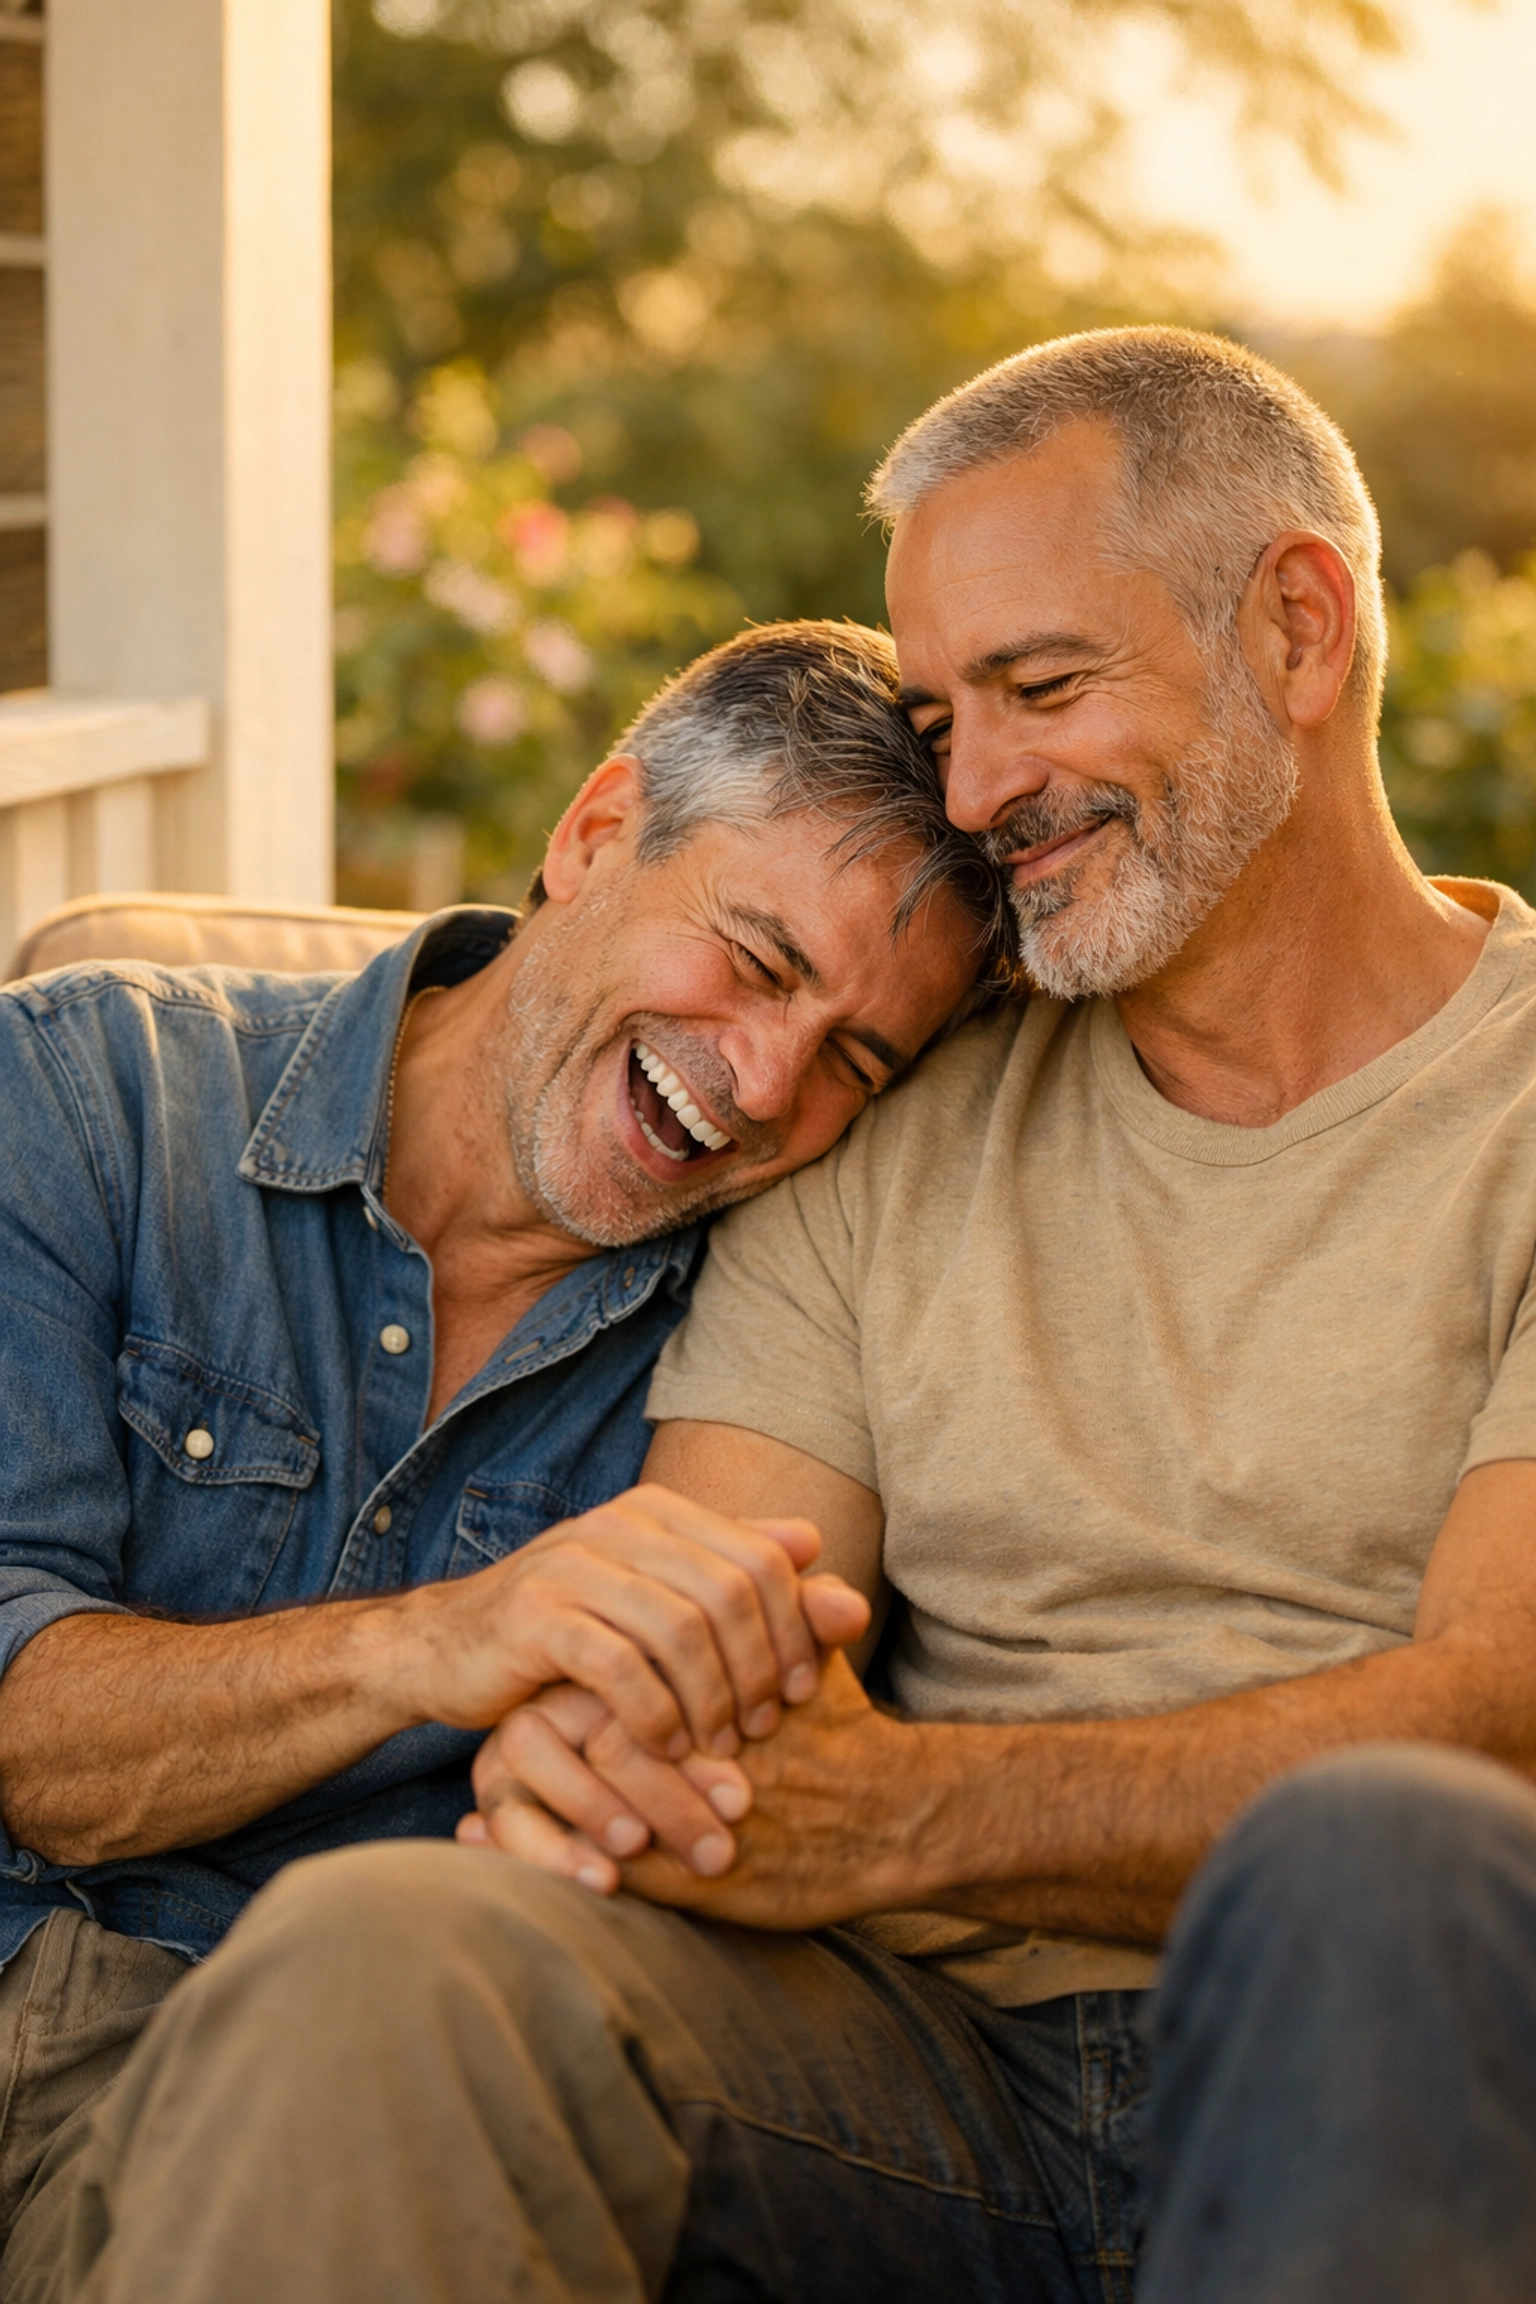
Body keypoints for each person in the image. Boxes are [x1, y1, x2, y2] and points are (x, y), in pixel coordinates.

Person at [11, 330, 1536, 2304]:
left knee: (1382, 1856)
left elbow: (1494, 1726)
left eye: (1040, 688)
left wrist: (896, 1817)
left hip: (1388, 2035)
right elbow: (698, 1643)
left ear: (1303, 629)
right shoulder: (868, 1130)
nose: (975, 787)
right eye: (942, 709)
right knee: (384, 1950)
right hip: (918, 2090)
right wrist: (613, 1751)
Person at [0, 621, 1002, 2298]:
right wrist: (443, 1640)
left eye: (854, 1059)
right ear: (598, 832)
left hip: (292, 2092)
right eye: (756, 962)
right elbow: (24, 1726)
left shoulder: (760, 1387)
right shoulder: (92, 1086)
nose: (760, 1083)